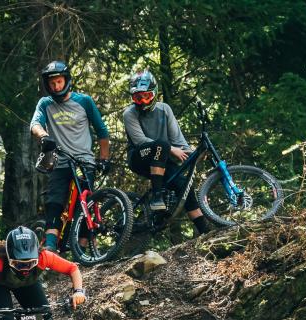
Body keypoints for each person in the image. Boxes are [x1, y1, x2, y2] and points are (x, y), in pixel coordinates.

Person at [30, 60, 111, 252]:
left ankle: (80, 252)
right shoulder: (45, 103)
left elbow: (102, 131)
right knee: (54, 201)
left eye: (59, 81)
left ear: (66, 80)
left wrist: (104, 158)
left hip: (84, 161)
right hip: (60, 162)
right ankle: (50, 247)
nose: (56, 86)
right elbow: (35, 125)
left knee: (85, 205)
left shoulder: (84, 101)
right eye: (52, 83)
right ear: (47, 85)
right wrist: (44, 137)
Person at [122, 70, 209, 236]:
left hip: (162, 158)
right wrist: (170, 149)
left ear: (154, 94)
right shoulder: (129, 113)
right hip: (138, 157)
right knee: (160, 145)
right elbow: (140, 141)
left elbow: (178, 140)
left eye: (146, 96)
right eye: (137, 98)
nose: (142, 102)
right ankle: (157, 196)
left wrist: (194, 153)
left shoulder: (164, 109)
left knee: (183, 184)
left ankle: (204, 230)